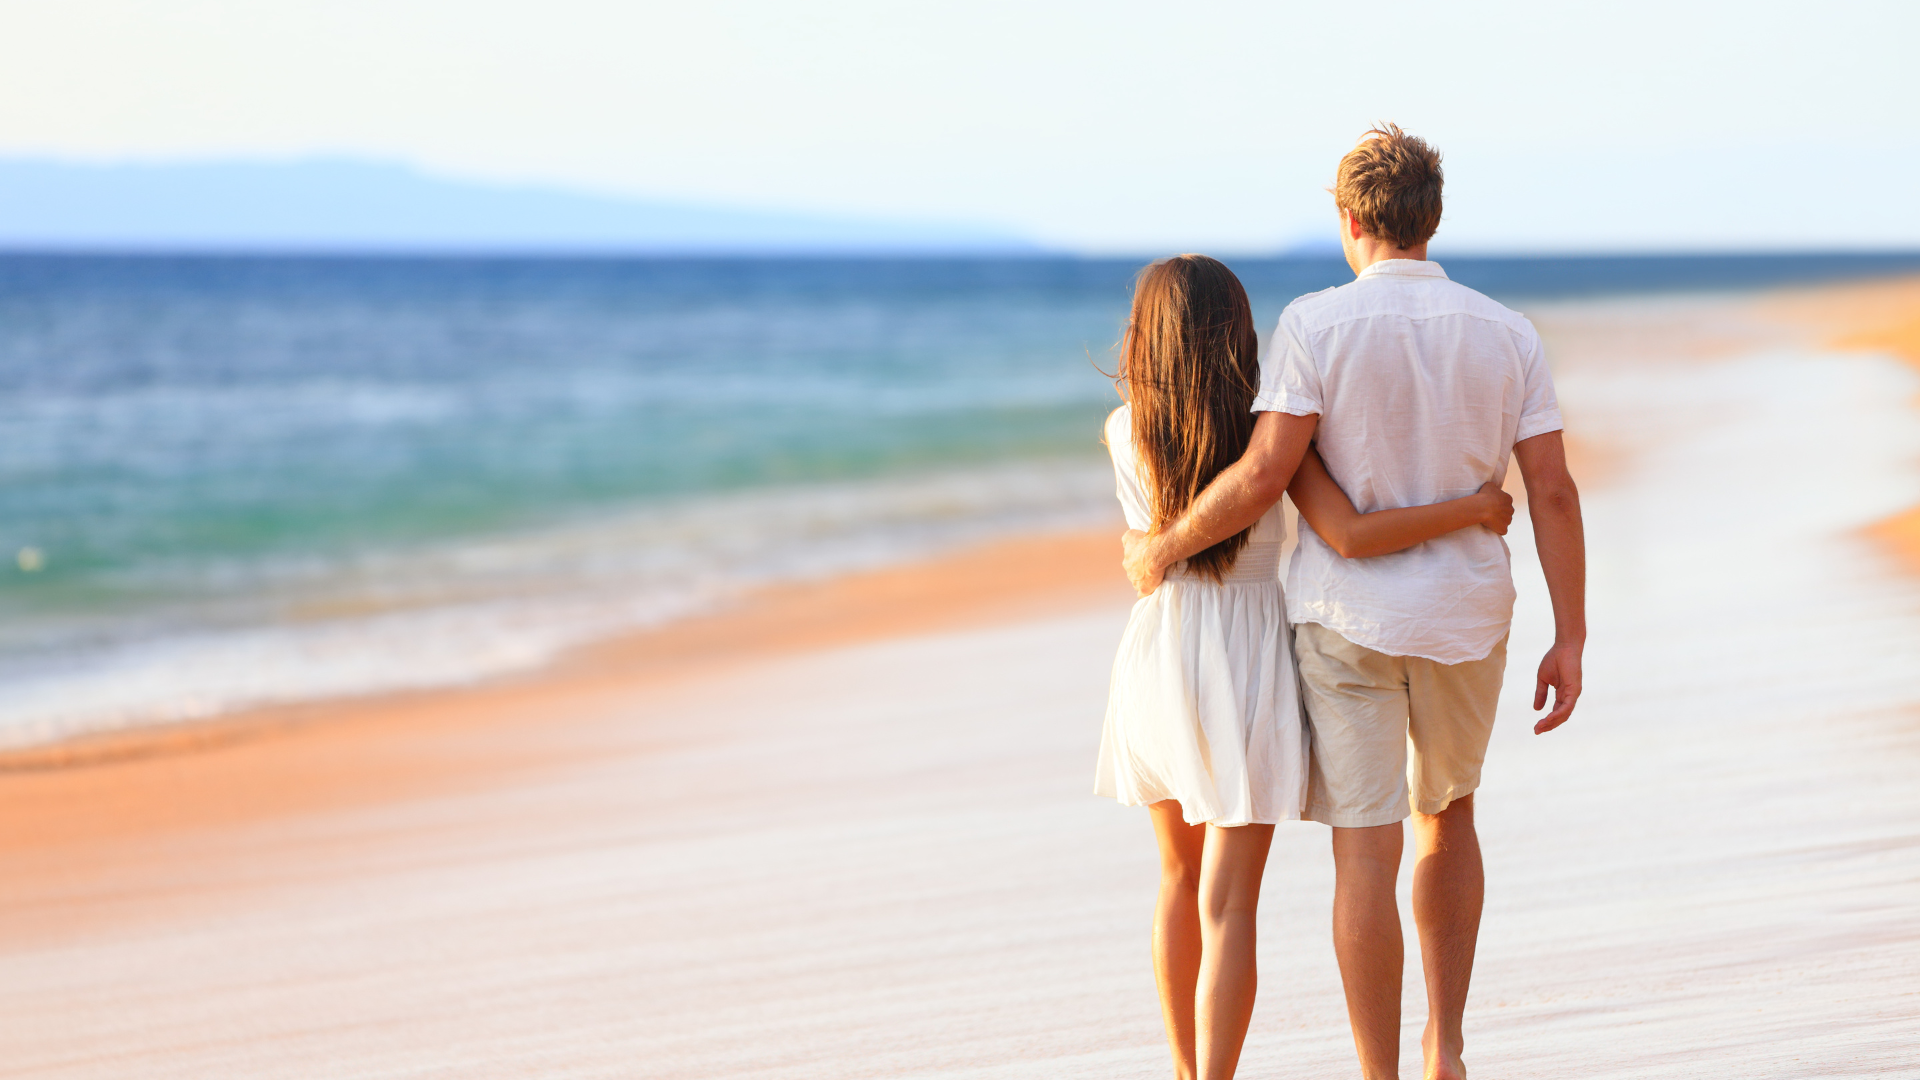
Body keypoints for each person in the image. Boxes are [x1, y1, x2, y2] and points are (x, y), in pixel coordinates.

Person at [1121, 126, 1587, 1080]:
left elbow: (1264, 473)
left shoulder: (1315, 325)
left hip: (1345, 624)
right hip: (1465, 618)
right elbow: (1554, 492)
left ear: (1349, 220)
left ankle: (1377, 1071)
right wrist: (1571, 636)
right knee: (1449, 817)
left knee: (1361, 855)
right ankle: (1443, 1049)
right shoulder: (1508, 331)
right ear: (1433, 218)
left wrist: (1160, 548)